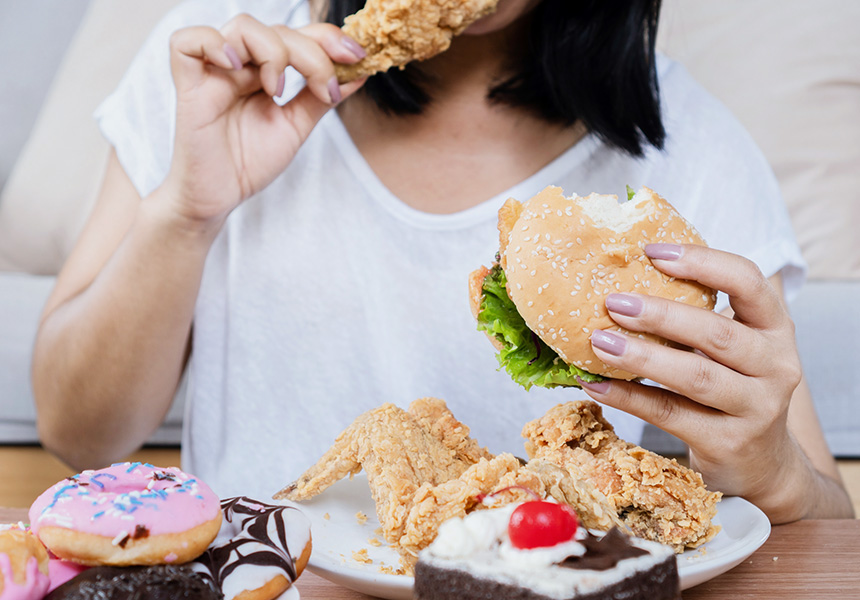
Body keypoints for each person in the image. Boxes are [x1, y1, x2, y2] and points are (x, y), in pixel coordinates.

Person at [31, 0, 853, 521]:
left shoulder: (694, 153)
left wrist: (772, 467)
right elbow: (77, 433)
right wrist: (186, 212)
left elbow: (824, 524)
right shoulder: (214, 62)